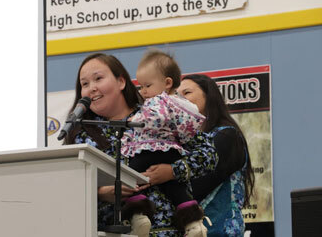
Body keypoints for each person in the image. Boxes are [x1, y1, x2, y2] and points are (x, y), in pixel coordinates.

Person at [64, 53, 218, 237]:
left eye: (98, 78)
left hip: (169, 232)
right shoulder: (82, 135)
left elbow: (209, 155)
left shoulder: (159, 114)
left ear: (121, 82)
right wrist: (101, 192)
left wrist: (172, 171)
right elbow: (68, 189)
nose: (92, 88)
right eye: (85, 84)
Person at [120, 50, 208, 237]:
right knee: (176, 189)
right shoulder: (182, 104)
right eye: (140, 87)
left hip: (148, 150)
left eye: (147, 86)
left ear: (167, 83)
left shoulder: (157, 102)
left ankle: (138, 216)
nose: (143, 92)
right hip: (172, 152)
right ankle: (194, 223)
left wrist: (134, 122)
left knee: (131, 176)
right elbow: (189, 127)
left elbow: (154, 118)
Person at [174, 74, 255, 236]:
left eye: (187, 93)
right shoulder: (183, 142)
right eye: (176, 95)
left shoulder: (227, 136)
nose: (179, 99)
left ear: (209, 97)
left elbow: (197, 185)